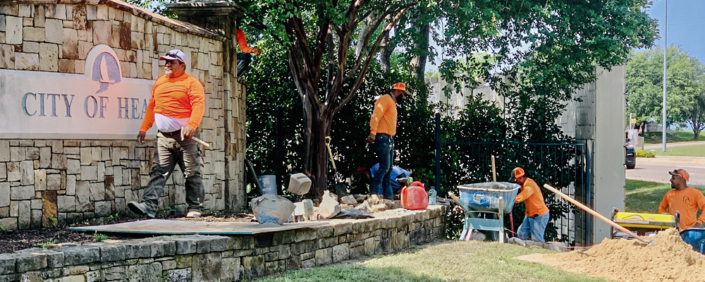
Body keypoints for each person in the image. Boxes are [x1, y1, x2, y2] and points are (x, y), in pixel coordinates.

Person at [128, 49, 206, 219]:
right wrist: (144, 127)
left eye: (172, 62)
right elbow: (152, 106)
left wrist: (192, 125)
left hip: (185, 137)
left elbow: (198, 105)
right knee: (158, 172)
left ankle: (194, 207)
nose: (167, 65)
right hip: (163, 137)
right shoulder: (160, 82)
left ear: (182, 65)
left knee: (191, 172)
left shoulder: (192, 83)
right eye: (166, 62)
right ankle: (149, 206)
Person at [367, 83, 407, 200]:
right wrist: (373, 133)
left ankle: (387, 197)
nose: (403, 97)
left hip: (388, 138)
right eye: (403, 94)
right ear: (398, 92)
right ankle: (374, 192)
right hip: (383, 137)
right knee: (385, 167)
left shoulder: (391, 102)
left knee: (388, 169)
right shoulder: (385, 99)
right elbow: (376, 115)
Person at [509, 167, 550, 242]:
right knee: (521, 233)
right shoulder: (523, 184)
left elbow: (524, 195)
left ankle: (541, 253)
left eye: (516, 180)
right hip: (530, 215)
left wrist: (511, 200)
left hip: (539, 215)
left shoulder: (529, 184)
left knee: (537, 240)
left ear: (521, 178)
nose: (515, 182)